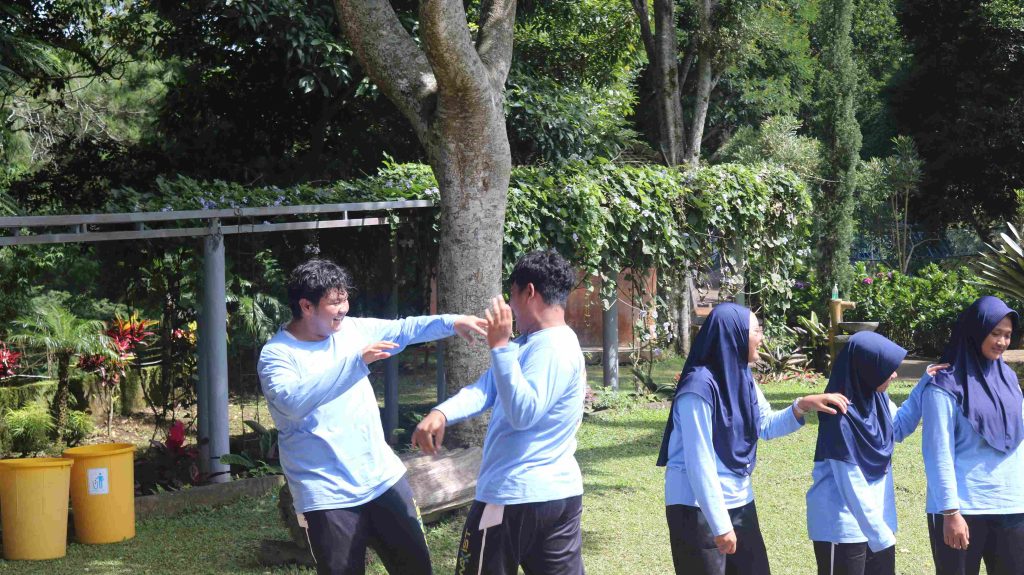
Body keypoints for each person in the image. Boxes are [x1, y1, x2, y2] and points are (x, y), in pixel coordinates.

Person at [257, 258, 487, 575]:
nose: (344, 309)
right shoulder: (277, 355)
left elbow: (404, 329)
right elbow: (292, 403)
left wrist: (452, 322)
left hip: (383, 480)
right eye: (334, 303)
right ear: (306, 306)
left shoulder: (351, 330)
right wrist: (356, 362)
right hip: (326, 495)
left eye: (345, 299)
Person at [412, 249, 586, 575]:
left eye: (512, 295)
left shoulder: (555, 348)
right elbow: (486, 389)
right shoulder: (529, 343)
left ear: (529, 292)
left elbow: (523, 413)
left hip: (513, 496)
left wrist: (499, 347)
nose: (510, 307)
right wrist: (442, 413)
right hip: (554, 495)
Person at [656, 302, 850, 575]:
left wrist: (802, 405)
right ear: (734, 335)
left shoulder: (740, 374)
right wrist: (721, 525)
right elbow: (700, 463)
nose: (761, 337)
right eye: (756, 330)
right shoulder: (696, 389)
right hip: (695, 508)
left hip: (738, 500)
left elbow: (765, 424)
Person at [806, 331, 939, 575]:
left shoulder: (877, 398)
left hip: (878, 524)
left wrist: (924, 385)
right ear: (866, 368)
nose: (894, 374)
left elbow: (898, 428)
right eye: (887, 369)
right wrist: (881, 535)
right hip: (843, 529)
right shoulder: (838, 415)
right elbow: (851, 484)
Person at [922, 296, 1024, 575]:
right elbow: (938, 453)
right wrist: (950, 512)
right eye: (995, 333)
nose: (1002, 342)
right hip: (963, 510)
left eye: (1007, 335)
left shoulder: (1009, 380)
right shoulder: (943, 386)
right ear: (976, 331)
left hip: (1012, 507)